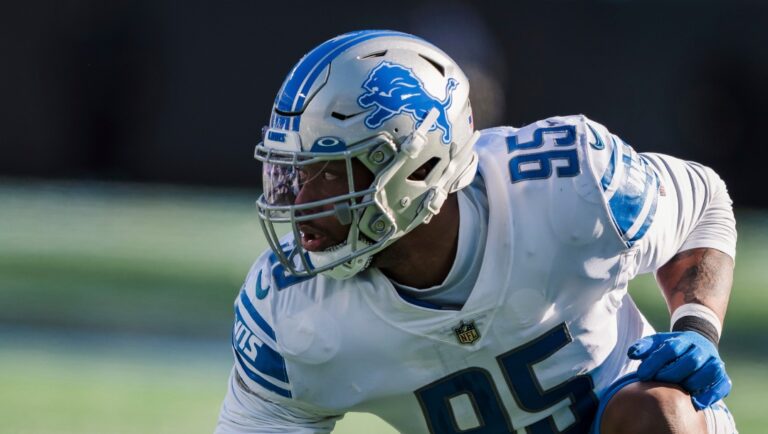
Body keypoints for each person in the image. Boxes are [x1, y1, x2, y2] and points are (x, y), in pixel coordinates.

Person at [216, 30, 738, 434]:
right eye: (297, 173)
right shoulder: (289, 309)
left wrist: (696, 329)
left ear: (414, 169)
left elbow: (705, 203)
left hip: (623, 421)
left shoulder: (570, 184)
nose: (303, 203)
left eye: (331, 172)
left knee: (655, 412)